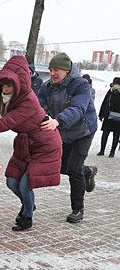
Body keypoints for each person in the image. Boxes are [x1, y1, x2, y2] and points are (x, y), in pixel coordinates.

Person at [0, 55, 62, 231]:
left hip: (45, 144)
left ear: (19, 84)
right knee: (11, 182)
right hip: (26, 142)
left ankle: (27, 216)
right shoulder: (5, 96)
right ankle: (28, 202)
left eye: (9, 86)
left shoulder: (28, 101)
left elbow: (5, 123)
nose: (6, 89)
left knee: (25, 183)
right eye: (3, 85)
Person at [38, 52, 98, 223]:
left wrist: (57, 121)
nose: (52, 73)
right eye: (50, 70)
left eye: (56, 70)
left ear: (66, 70)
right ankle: (88, 171)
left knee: (73, 169)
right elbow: (38, 106)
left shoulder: (80, 85)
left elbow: (78, 109)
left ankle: (78, 208)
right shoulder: (46, 87)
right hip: (62, 131)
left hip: (82, 132)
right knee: (61, 167)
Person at [97, 77, 120, 158]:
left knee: (116, 135)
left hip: (118, 119)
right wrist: (101, 114)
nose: (116, 86)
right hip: (108, 117)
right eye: (115, 84)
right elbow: (105, 103)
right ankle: (102, 150)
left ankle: (112, 152)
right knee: (105, 134)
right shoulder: (110, 92)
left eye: (118, 84)